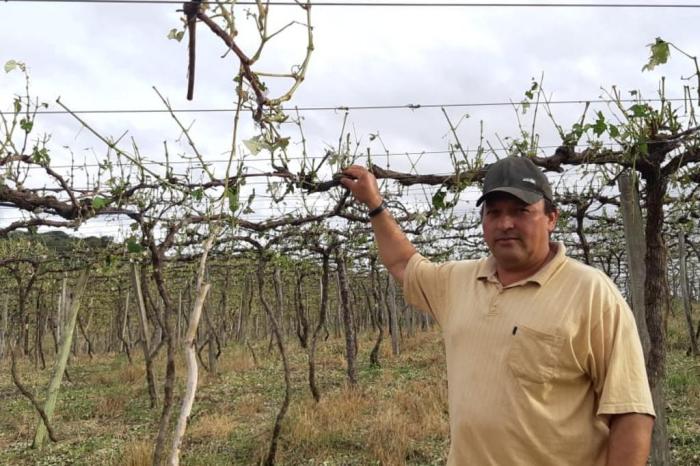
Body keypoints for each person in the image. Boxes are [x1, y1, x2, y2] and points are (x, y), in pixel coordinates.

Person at [340, 157, 655, 466]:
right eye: (495, 212)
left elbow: (631, 412)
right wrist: (375, 205)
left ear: (551, 218)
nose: (506, 223)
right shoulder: (456, 281)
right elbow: (402, 263)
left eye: (521, 211)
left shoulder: (591, 292)